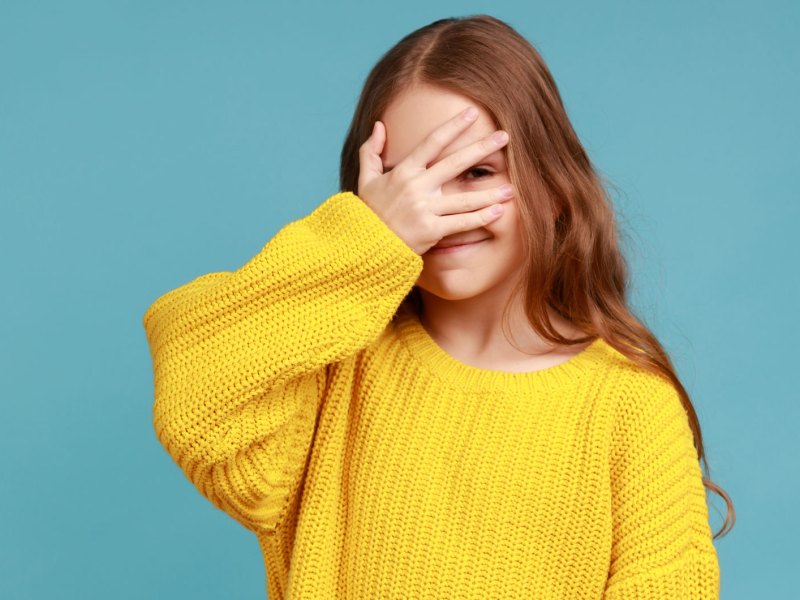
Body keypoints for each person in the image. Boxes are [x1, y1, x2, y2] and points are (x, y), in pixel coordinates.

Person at [142, 14, 734, 599]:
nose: (435, 212)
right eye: (407, 182)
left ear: (554, 189)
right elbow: (199, 401)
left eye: (475, 172)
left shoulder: (628, 404)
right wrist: (366, 241)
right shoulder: (332, 369)